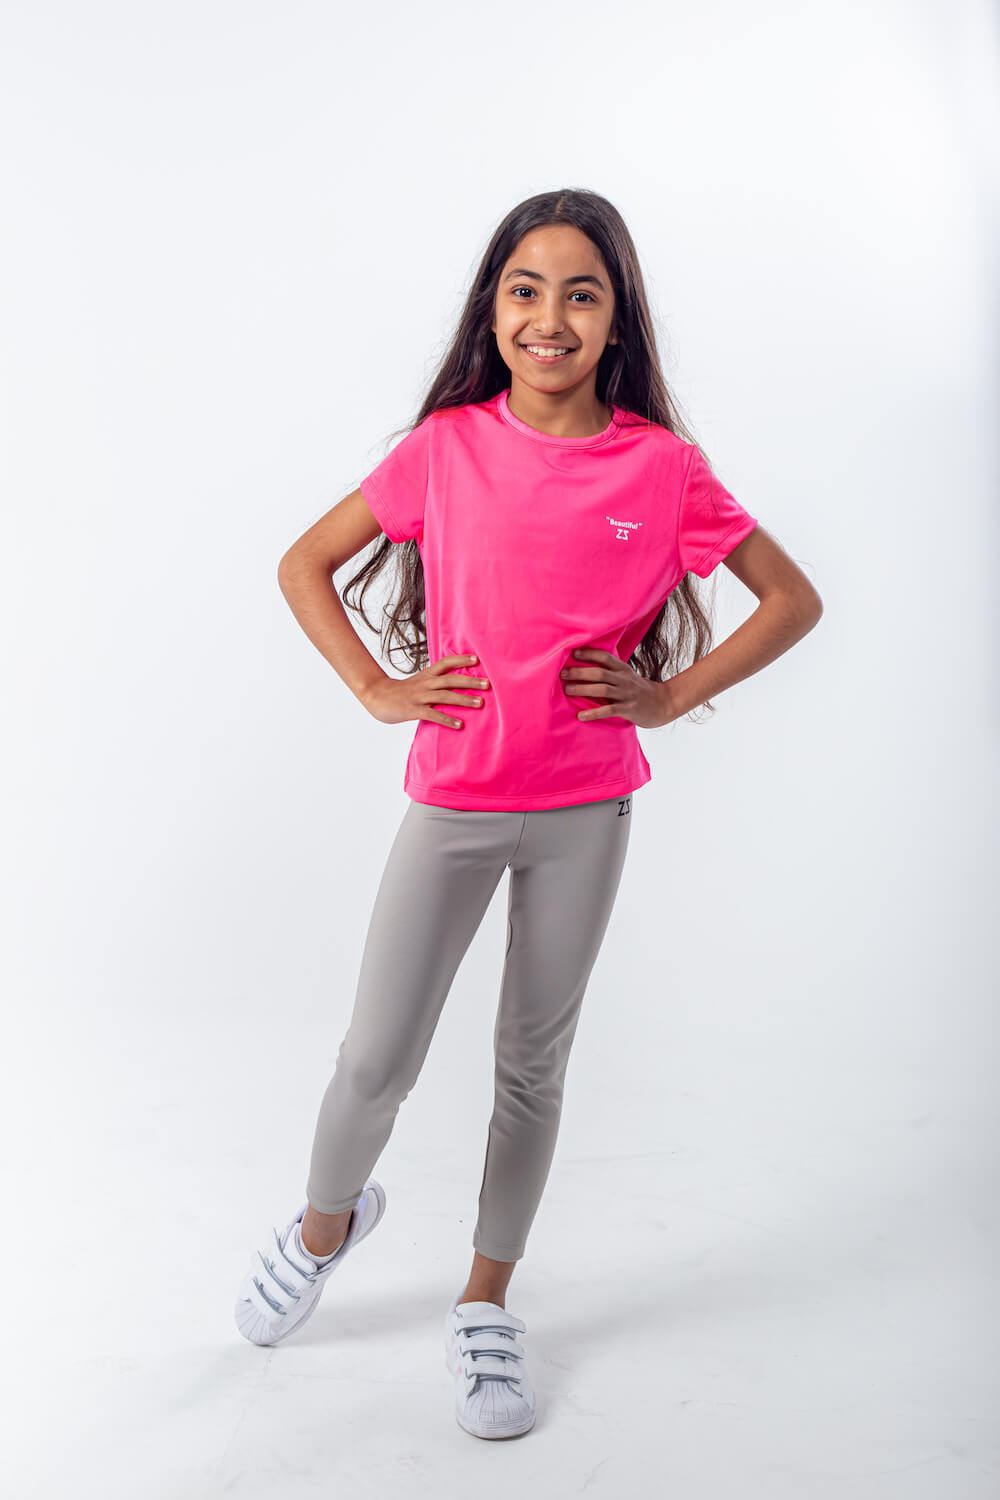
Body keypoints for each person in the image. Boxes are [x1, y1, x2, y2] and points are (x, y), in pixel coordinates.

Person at [234, 188, 823, 1441]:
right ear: (492, 310)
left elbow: (790, 599)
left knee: (530, 1067)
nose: (548, 317)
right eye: (524, 289)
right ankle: (325, 1227)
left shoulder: (660, 469)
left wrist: (670, 696)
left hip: (584, 811)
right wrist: (377, 689)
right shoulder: (444, 448)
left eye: (580, 293)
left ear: (616, 322)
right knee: (375, 1059)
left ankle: (485, 1298)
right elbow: (303, 562)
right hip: (452, 803)